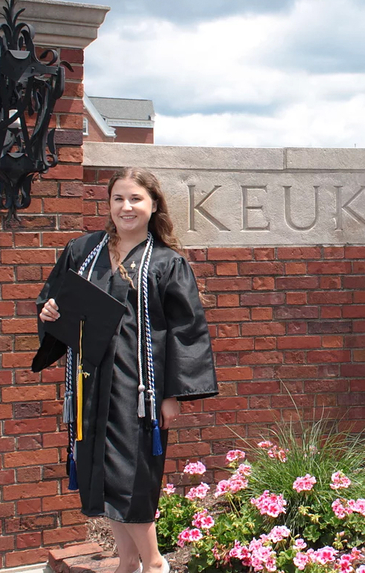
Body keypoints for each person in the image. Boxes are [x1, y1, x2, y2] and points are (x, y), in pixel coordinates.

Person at [36, 167, 218, 573]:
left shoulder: (168, 263)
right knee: (99, 474)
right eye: (118, 198)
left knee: (132, 474)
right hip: (90, 381)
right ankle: (127, 562)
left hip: (138, 388)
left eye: (135, 198)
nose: (126, 206)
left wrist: (172, 394)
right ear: (108, 205)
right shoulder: (83, 252)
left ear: (153, 205)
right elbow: (53, 301)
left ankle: (154, 563)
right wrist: (48, 312)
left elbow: (186, 331)